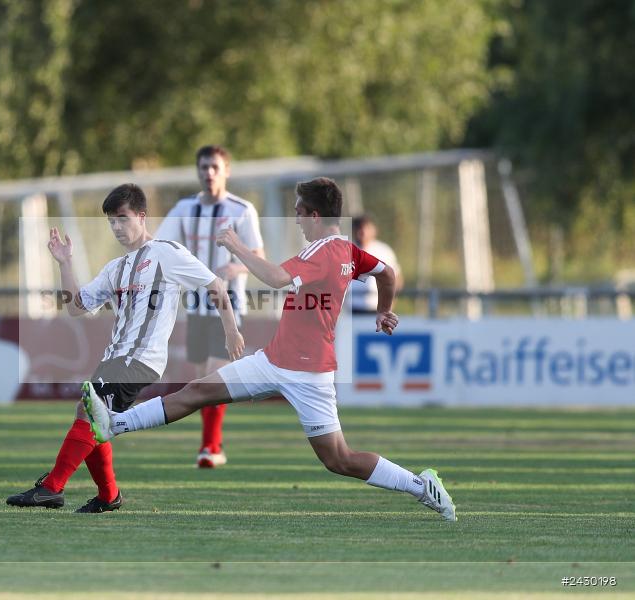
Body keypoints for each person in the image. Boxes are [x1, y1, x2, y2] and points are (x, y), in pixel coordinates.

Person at [83, 178, 456, 521]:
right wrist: (384, 310)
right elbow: (387, 273)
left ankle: (421, 486)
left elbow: (277, 278)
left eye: (298, 212)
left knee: (339, 459)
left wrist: (236, 246)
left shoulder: (324, 250)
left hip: (309, 375)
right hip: (273, 361)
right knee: (197, 391)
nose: (296, 219)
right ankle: (114, 424)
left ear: (314, 215)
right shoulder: (347, 250)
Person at [6, 184, 244, 513]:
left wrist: (231, 331)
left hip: (141, 358)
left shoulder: (166, 252)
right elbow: (76, 307)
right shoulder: (115, 268)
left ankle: (52, 488)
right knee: (90, 416)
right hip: (115, 357)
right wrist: (64, 263)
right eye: (111, 221)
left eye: (122, 218)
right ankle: (108, 496)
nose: (116, 227)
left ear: (141, 216)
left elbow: (215, 284)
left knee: (91, 415)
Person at [154, 145, 264, 468]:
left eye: (215, 167)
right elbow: (160, 246)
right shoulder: (184, 208)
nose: (209, 173)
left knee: (215, 376)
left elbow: (259, 257)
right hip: (195, 307)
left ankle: (209, 447)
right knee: (202, 378)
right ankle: (213, 444)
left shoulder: (242, 209)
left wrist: (237, 266)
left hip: (228, 307)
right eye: (204, 167)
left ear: (226, 170)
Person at [351, 215, 403, 315]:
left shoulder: (384, 251)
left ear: (374, 230)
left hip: (377, 310)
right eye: (359, 228)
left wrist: (390, 304)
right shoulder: (345, 249)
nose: (362, 232)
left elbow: (397, 279)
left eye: (366, 228)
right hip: (350, 310)